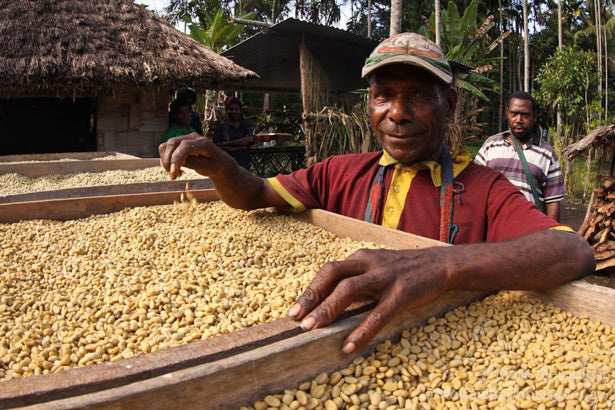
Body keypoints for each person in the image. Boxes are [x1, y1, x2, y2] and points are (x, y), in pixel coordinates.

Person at [159, 32, 594, 354]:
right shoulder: (340, 172)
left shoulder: (483, 188)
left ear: (451, 105)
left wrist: (443, 265)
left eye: (419, 95)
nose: (397, 114)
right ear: (369, 103)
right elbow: (254, 193)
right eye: (383, 95)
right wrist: (220, 163)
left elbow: (572, 249)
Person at [474, 91, 564, 221]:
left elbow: (553, 202)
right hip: (492, 228)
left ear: (534, 115)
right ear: (507, 113)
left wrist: (551, 236)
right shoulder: (491, 145)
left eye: (525, 115)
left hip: (529, 232)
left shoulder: (547, 154)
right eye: (514, 114)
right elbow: (476, 185)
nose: (518, 120)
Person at [213, 96, 255, 170]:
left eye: (236, 109)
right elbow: (219, 146)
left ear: (240, 111)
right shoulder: (221, 127)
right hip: (226, 165)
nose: (234, 111)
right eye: (231, 109)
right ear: (226, 111)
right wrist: (241, 147)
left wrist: (228, 143)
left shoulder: (245, 125)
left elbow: (249, 139)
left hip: (243, 165)